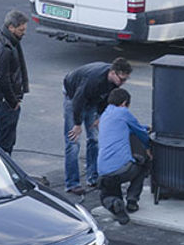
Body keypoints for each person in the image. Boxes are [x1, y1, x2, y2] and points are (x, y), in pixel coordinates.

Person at [62, 58, 132, 195]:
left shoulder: (113, 82)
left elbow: (107, 99)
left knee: (94, 139)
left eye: (125, 80)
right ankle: (72, 183)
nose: (122, 83)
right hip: (73, 96)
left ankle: (93, 177)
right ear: (112, 73)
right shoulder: (93, 80)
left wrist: (100, 116)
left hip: (92, 100)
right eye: (121, 79)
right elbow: (77, 101)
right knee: (73, 142)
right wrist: (77, 124)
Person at [96, 88, 151, 225]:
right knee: (143, 165)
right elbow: (140, 133)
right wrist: (148, 148)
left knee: (106, 196)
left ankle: (115, 204)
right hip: (124, 170)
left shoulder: (104, 115)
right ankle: (132, 200)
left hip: (104, 173)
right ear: (124, 103)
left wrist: (143, 127)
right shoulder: (124, 112)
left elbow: (127, 127)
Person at [0, 9, 29, 155]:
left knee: (8, 141)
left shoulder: (10, 42)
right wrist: (13, 102)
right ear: (11, 27)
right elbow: (2, 80)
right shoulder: (4, 49)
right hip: (5, 103)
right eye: (21, 29)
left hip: (5, 102)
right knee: (5, 144)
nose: (23, 32)